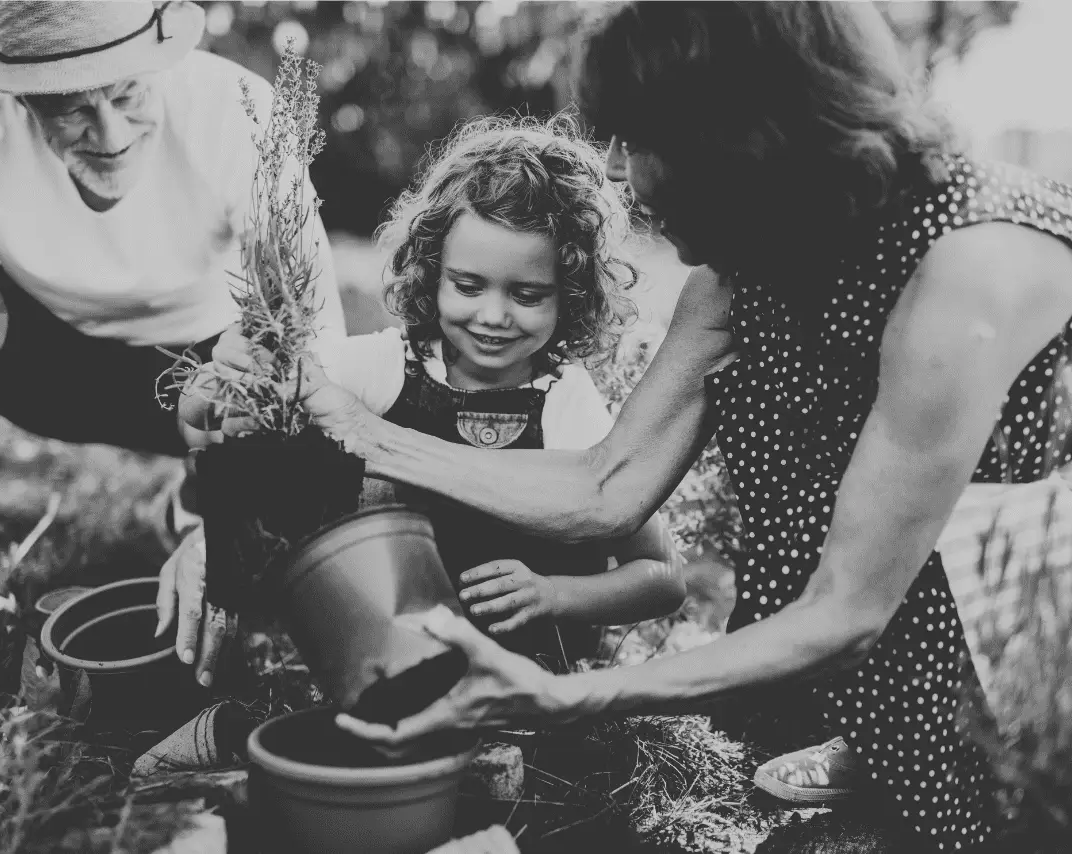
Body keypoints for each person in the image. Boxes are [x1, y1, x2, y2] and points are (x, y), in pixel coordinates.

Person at [265, 4, 1072, 851]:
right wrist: (360, 431)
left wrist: (565, 697)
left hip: (1035, 609)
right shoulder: (752, 260)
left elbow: (844, 612)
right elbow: (608, 486)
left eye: (650, 144)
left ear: (751, 142)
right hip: (879, 610)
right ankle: (872, 739)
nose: (632, 181)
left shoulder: (966, 277)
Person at [0, 0, 345, 645]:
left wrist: (232, 513)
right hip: (55, 368)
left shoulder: (235, 110)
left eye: (127, 93)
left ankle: (203, 498)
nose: (110, 135)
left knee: (270, 401)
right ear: (22, 98)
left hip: (213, 381)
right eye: (71, 108)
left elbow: (315, 355)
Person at [165, 116, 686, 673]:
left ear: (572, 294)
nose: (492, 316)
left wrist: (555, 594)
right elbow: (206, 418)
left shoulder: (568, 405)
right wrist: (220, 378)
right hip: (377, 661)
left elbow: (662, 579)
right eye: (467, 286)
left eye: (527, 294)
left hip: (523, 679)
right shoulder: (388, 366)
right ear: (432, 273)